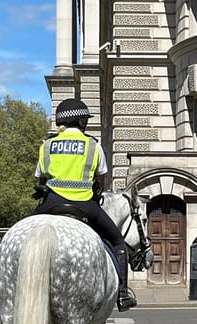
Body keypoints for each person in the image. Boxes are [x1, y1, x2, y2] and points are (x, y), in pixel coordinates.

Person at [33, 98, 137, 312]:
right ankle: (123, 294)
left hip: (51, 203)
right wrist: (95, 191)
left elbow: (40, 179)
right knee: (118, 242)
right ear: (80, 121)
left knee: (24, 234)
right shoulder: (93, 145)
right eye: (85, 119)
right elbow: (101, 179)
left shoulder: (47, 145)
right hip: (84, 204)